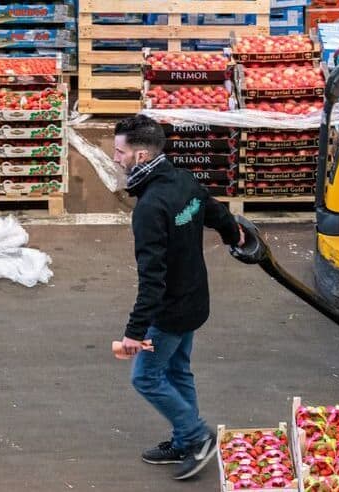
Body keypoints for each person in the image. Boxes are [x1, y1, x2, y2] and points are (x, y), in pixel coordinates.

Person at [113, 114, 244, 480]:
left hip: (169, 313)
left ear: (140, 157)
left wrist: (135, 332)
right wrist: (235, 234)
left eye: (119, 151)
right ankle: (185, 439)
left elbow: (152, 280)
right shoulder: (182, 179)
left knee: (146, 378)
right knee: (177, 370)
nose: (115, 158)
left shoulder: (150, 208)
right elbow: (213, 209)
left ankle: (196, 435)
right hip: (194, 300)